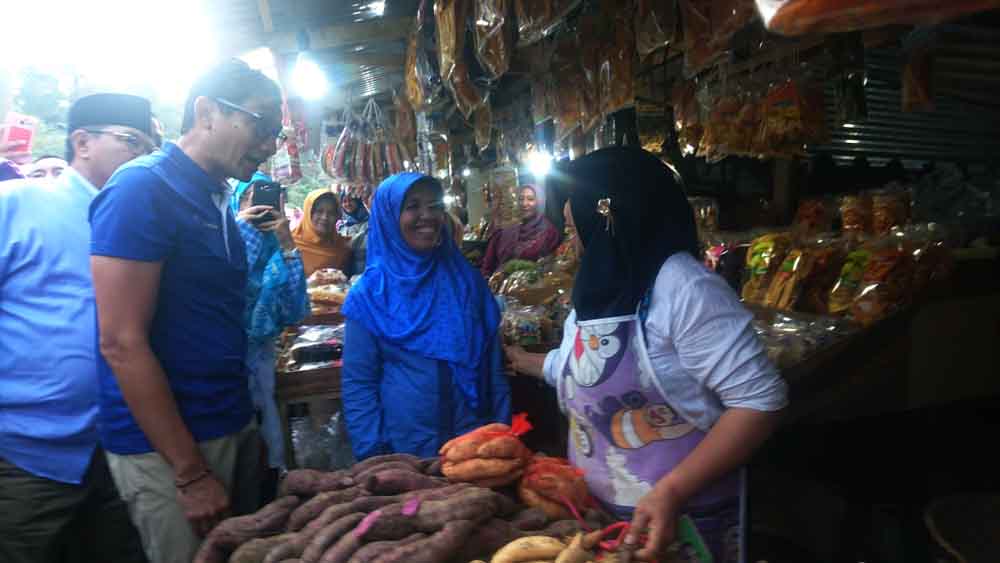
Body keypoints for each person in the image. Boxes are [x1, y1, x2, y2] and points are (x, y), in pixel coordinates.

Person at [505, 147, 787, 563]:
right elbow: (586, 370)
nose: (573, 243)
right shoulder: (597, 293)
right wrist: (529, 362)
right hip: (599, 521)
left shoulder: (684, 288)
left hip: (681, 522)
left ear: (607, 217)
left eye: (575, 226)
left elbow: (759, 402)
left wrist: (671, 491)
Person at [88, 59, 283, 563]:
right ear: (207, 112)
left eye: (276, 134)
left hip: (226, 423)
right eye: (261, 125)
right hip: (171, 452)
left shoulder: (220, 196)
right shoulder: (142, 189)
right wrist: (190, 471)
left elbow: (217, 320)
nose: (268, 144)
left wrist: (247, 426)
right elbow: (120, 342)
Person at [0, 92, 154, 563]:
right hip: (26, 456)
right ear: (82, 142)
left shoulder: (141, 218)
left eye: (149, 146)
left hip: (120, 449)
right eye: (129, 141)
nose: (141, 156)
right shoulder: (19, 203)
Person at [341, 172, 511, 459]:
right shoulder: (370, 295)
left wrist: (502, 432)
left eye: (435, 206)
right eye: (412, 207)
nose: (427, 216)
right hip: (406, 452)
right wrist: (375, 458)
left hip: (474, 443)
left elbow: (492, 366)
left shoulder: (465, 281)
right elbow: (360, 385)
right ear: (388, 217)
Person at [231, 171, 309, 471]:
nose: (261, 205)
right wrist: (240, 228)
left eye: (268, 196)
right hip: (227, 368)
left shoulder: (280, 251)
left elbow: (295, 310)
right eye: (251, 195)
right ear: (239, 201)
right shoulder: (225, 242)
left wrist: (287, 244)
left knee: (265, 457)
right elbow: (230, 288)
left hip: (262, 366)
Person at [480, 184, 562, 276]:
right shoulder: (506, 231)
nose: (524, 203)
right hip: (499, 286)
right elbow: (487, 265)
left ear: (540, 202)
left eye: (530, 199)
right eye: (521, 199)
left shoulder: (549, 233)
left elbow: (553, 267)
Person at [292, 188, 353, 276]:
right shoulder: (290, 243)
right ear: (309, 213)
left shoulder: (343, 247)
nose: (325, 217)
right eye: (319, 211)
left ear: (337, 216)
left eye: (331, 213)